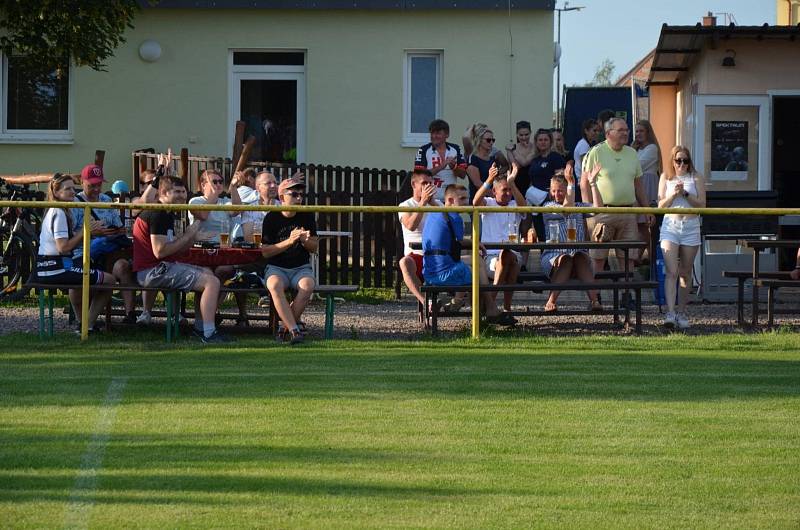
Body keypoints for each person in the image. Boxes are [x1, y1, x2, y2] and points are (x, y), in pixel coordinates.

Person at [132, 176, 229, 343]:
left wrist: (193, 238)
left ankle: (200, 328)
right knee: (211, 283)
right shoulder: (159, 212)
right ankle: (208, 333)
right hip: (152, 271)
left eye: (184, 192)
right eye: (176, 192)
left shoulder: (166, 212)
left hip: (159, 267)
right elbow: (160, 252)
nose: (182, 196)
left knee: (208, 273)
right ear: (163, 192)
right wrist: (188, 235)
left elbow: (175, 249)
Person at [34, 173, 118, 332]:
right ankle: (87, 325)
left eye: (74, 188)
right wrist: (86, 231)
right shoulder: (58, 212)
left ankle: (84, 324)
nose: (73, 192)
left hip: (50, 266)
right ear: (57, 193)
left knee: (93, 278)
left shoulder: (59, 210)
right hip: (55, 268)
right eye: (68, 189)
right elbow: (63, 248)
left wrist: (91, 232)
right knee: (110, 281)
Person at [422, 184, 512, 325]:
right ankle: (487, 310)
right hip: (441, 273)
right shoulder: (455, 217)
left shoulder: (438, 211)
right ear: (450, 200)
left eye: (467, 198)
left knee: (477, 260)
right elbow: (458, 240)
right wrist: (472, 242)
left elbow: (456, 239)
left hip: (430, 270)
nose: (466, 203)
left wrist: (473, 242)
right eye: (462, 199)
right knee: (475, 271)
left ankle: (481, 307)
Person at [580, 117, 654, 274]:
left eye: (626, 130)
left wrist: (647, 210)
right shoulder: (596, 152)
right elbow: (584, 183)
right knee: (598, 259)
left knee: (628, 259)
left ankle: (626, 296)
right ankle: (597, 296)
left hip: (628, 213)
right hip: (602, 213)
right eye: (621, 130)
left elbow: (639, 185)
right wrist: (589, 212)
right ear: (608, 133)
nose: (626, 133)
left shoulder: (632, 153)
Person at [71, 164, 133, 324]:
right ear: (82, 182)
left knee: (123, 267)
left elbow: (119, 227)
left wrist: (112, 232)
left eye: (99, 184)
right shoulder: (74, 204)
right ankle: (86, 323)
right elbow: (69, 237)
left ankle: (130, 315)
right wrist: (90, 233)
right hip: (83, 254)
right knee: (91, 281)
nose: (97, 189)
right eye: (92, 185)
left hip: (109, 252)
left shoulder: (106, 200)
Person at [189, 169, 251, 326]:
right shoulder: (195, 201)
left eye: (220, 182)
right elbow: (203, 215)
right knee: (207, 276)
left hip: (222, 252)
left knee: (223, 271)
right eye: (214, 181)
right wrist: (213, 195)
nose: (218, 184)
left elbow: (238, 210)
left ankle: (207, 316)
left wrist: (234, 187)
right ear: (203, 185)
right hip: (201, 252)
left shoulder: (224, 203)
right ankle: (203, 320)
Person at [260, 177, 319, 344]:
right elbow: (265, 252)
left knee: (308, 286)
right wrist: (290, 241)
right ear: (281, 198)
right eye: (294, 194)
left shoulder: (306, 215)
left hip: (301, 267)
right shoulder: (271, 218)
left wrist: (304, 240)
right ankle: (294, 330)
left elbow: (314, 247)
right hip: (277, 267)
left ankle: (283, 328)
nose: (299, 198)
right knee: (274, 285)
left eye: (301, 194)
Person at [541, 163, 603, 313]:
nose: (557, 195)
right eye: (554, 191)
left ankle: (594, 301)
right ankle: (551, 301)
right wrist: (571, 184)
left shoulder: (578, 205)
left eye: (560, 191)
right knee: (567, 259)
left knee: (580, 256)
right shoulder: (548, 207)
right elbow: (566, 211)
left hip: (577, 256)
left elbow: (598, 209)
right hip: (554, 256)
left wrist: (593, 183)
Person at [657, 146, 706, 330]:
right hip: (671, 226)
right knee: (671, 271)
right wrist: (674, 194)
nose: (682, 164)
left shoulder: (696, 177)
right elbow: (660, 206)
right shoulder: (665, 177)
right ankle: (670, 313)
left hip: (691, 226)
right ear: (673, 161)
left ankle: (682, 311)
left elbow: (702, 205)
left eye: (685, 160)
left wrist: (686, 194)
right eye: (678, 161)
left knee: (685, 272)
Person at [473, 162, 526, 318]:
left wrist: (512, 183)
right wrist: (489, 180)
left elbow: (524, 208)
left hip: (512, 254)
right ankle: (504, 308)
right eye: (505, 190)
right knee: (508, 260)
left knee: (509, 257)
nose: (508, 193)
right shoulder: (488, 203)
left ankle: (492, 305)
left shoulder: (514, 204)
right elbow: (475, 202)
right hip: (491, 257)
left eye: (510, 190)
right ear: (494, 191)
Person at [398, 168, 442, 306]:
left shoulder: (438, 204)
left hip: (438, 256)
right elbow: (410, 225)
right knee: (404, 263)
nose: (428, 187)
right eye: (424, 183)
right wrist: (422, 203)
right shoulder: (405, 205)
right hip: (417, 255)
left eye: (430, 183)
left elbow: (451, 226)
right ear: (413, 184)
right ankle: (426, 302)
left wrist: (433, 203)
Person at [526, 128, 566, 240]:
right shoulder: (535, 159)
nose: (543, 142)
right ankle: (544, 256)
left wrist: (552, 195)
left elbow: (560, 180)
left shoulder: (555, 157)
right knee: (540, 233)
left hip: (550, 200)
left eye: (545, 140)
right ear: (536, 142)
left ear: (550, 142)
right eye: (540, 140)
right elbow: (532, 179)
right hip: (535, 202)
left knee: (552, 234)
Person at [632, 119, 663, 260]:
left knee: (646, 226)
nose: (638, 134)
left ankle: (644, 259)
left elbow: (637, 166)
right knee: (640, 226)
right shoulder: (636, 149)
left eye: (641, 131)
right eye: (636, 131)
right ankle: (640, 258)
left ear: (648, 132)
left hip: (648, 186)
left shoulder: (652, 148)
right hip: (638, 187)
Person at [414, 119, 467, 201]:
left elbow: (463, 175)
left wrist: (454, 167)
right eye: (432, 133)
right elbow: (419, 176)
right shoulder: (423, 150)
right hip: (430, 199)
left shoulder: (456, 149)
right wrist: (442, 165)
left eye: (438, 133)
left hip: (450, 200)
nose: (434, 136)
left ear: (447, 134)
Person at [465, 124, 508, 198]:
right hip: (480, 200)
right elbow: (477, 183)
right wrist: (495, 196)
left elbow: (506, 166)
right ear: (479, 140)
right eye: (488, 140)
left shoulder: (493, 155)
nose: (491, 142)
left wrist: (497, 173)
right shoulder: (472, 158)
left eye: (493, 140)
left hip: (493, 199)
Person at [505, 120, 536, 193]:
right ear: (516, 134)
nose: (524, 137)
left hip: (532, 184)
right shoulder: (511, 148)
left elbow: (524, 163)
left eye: (526, 134)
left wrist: (513, 150)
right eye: (521, 135)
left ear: (530, 133)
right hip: (516, 183)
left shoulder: (535, 148)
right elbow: (516, 166)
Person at [573, 119, 600, 185]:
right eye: (594, 130)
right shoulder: (583, 145)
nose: (597, 133)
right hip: (582, 182)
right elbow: (585, 166)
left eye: (598, 131)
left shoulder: (586, 144)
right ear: (586, 131)